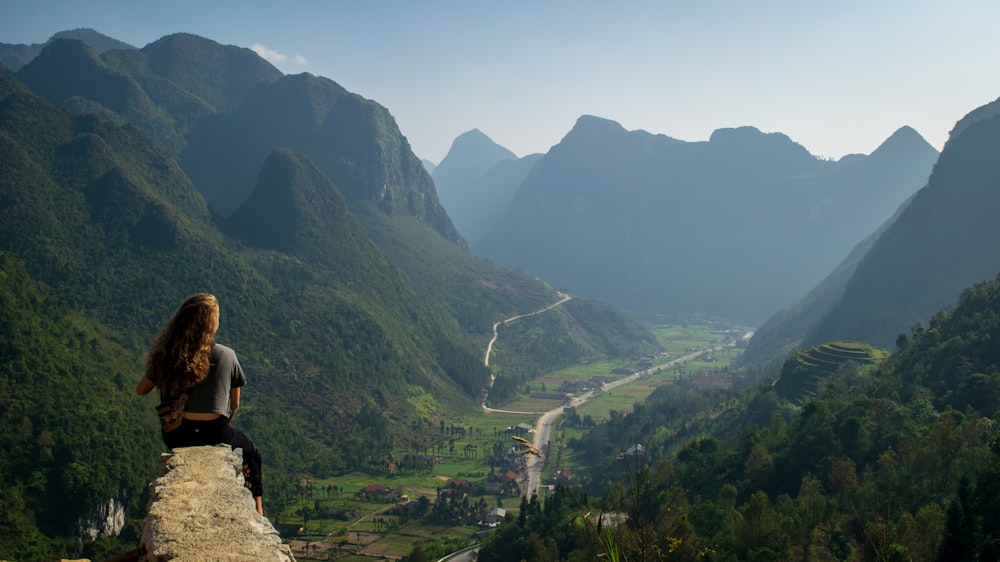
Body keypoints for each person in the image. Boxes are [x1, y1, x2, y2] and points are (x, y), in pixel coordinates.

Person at [136, 293, 264, 515]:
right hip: (216, 434)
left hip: (177, 435)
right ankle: (258, 509)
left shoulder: (169, 356)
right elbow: (234, 405)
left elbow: (141, 389)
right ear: (212, 323)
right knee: (251, 452)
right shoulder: (226, 355)